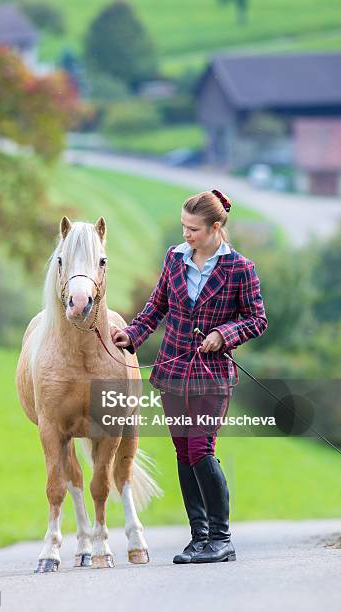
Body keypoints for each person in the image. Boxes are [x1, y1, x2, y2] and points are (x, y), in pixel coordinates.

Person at [110, 189, 268, 564]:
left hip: (212, 375)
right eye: (183, 227)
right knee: (183, 451)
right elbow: (157, 305)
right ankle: (199, 538)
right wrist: (132, 335)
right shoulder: (175, 258)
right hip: (172, 371)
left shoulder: (240, 269)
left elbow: (257, 319)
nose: (186, 235)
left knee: (201, 449)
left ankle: (221, 538)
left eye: (193, 229)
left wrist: (223, 334)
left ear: (216, 227)